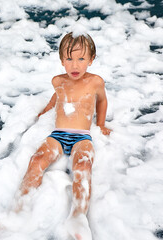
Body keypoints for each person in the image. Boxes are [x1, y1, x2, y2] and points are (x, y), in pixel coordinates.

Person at [17, 32, 111, 239]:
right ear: (61, 60)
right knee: (37, 160)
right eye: (69, 59)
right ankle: (20, 207)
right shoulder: (57, 81)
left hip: (82, 137)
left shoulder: (95, 82)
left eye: (81, 59)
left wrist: (101, 123)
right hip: (58, 135)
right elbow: (57, 95)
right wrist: (47, 109)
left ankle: (78, 217)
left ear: (91, 60)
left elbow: (102, 101)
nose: (75, 65)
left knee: (83, 165)